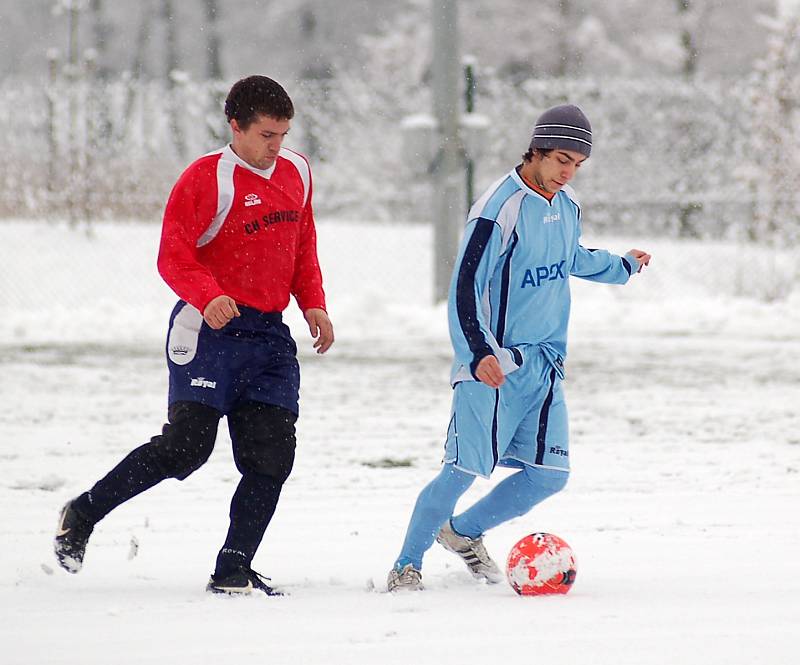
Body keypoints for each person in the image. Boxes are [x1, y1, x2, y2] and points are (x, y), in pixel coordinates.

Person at [54, 75, 334, 596]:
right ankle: (84, 512)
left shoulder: (297, 171)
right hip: (209, 332)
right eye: (267, 135)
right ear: (236, 126)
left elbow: (303, 242)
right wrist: (209, 295)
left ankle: (232, 567)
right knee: (186, 448)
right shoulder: (206, 179)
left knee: (271, 456)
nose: (277, 146)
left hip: (269, 337)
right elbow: (174, 256)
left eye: (284, 134)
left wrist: (313, 301)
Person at [387, 104, 651, 591]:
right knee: (462, 469)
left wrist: (622, 266)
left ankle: (461, 533)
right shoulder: (497, 209)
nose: (567, 173)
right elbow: (465, 287)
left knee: (549, 475)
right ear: (534, 151)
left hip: (545, 365)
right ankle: (406, 564)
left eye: (577, 164)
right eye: (560, 160)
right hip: (494, 364)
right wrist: (477, 353)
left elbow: (571, 257)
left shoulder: (566, 204)